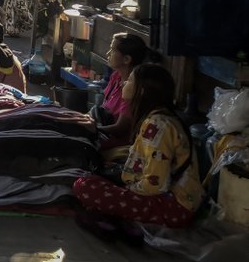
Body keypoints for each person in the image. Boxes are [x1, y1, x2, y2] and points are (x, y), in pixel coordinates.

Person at [73, 64, 203, 230]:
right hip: (169, 198)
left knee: (84, 186)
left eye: (130, 81)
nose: (123, 83)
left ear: (141, 91)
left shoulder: (158, 125)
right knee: (100, 169)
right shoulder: (156, 118)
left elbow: (155, 184)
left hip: (175, 207)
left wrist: (124, 188)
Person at [95, 33, 149, 149]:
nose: (108, 54)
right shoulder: (116, 76)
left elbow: (121, 128)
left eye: (113, 50)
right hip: (103, 130)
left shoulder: (131, 89)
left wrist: (93, 129)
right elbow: (103, 107)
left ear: (127, 59)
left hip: (117, 143)